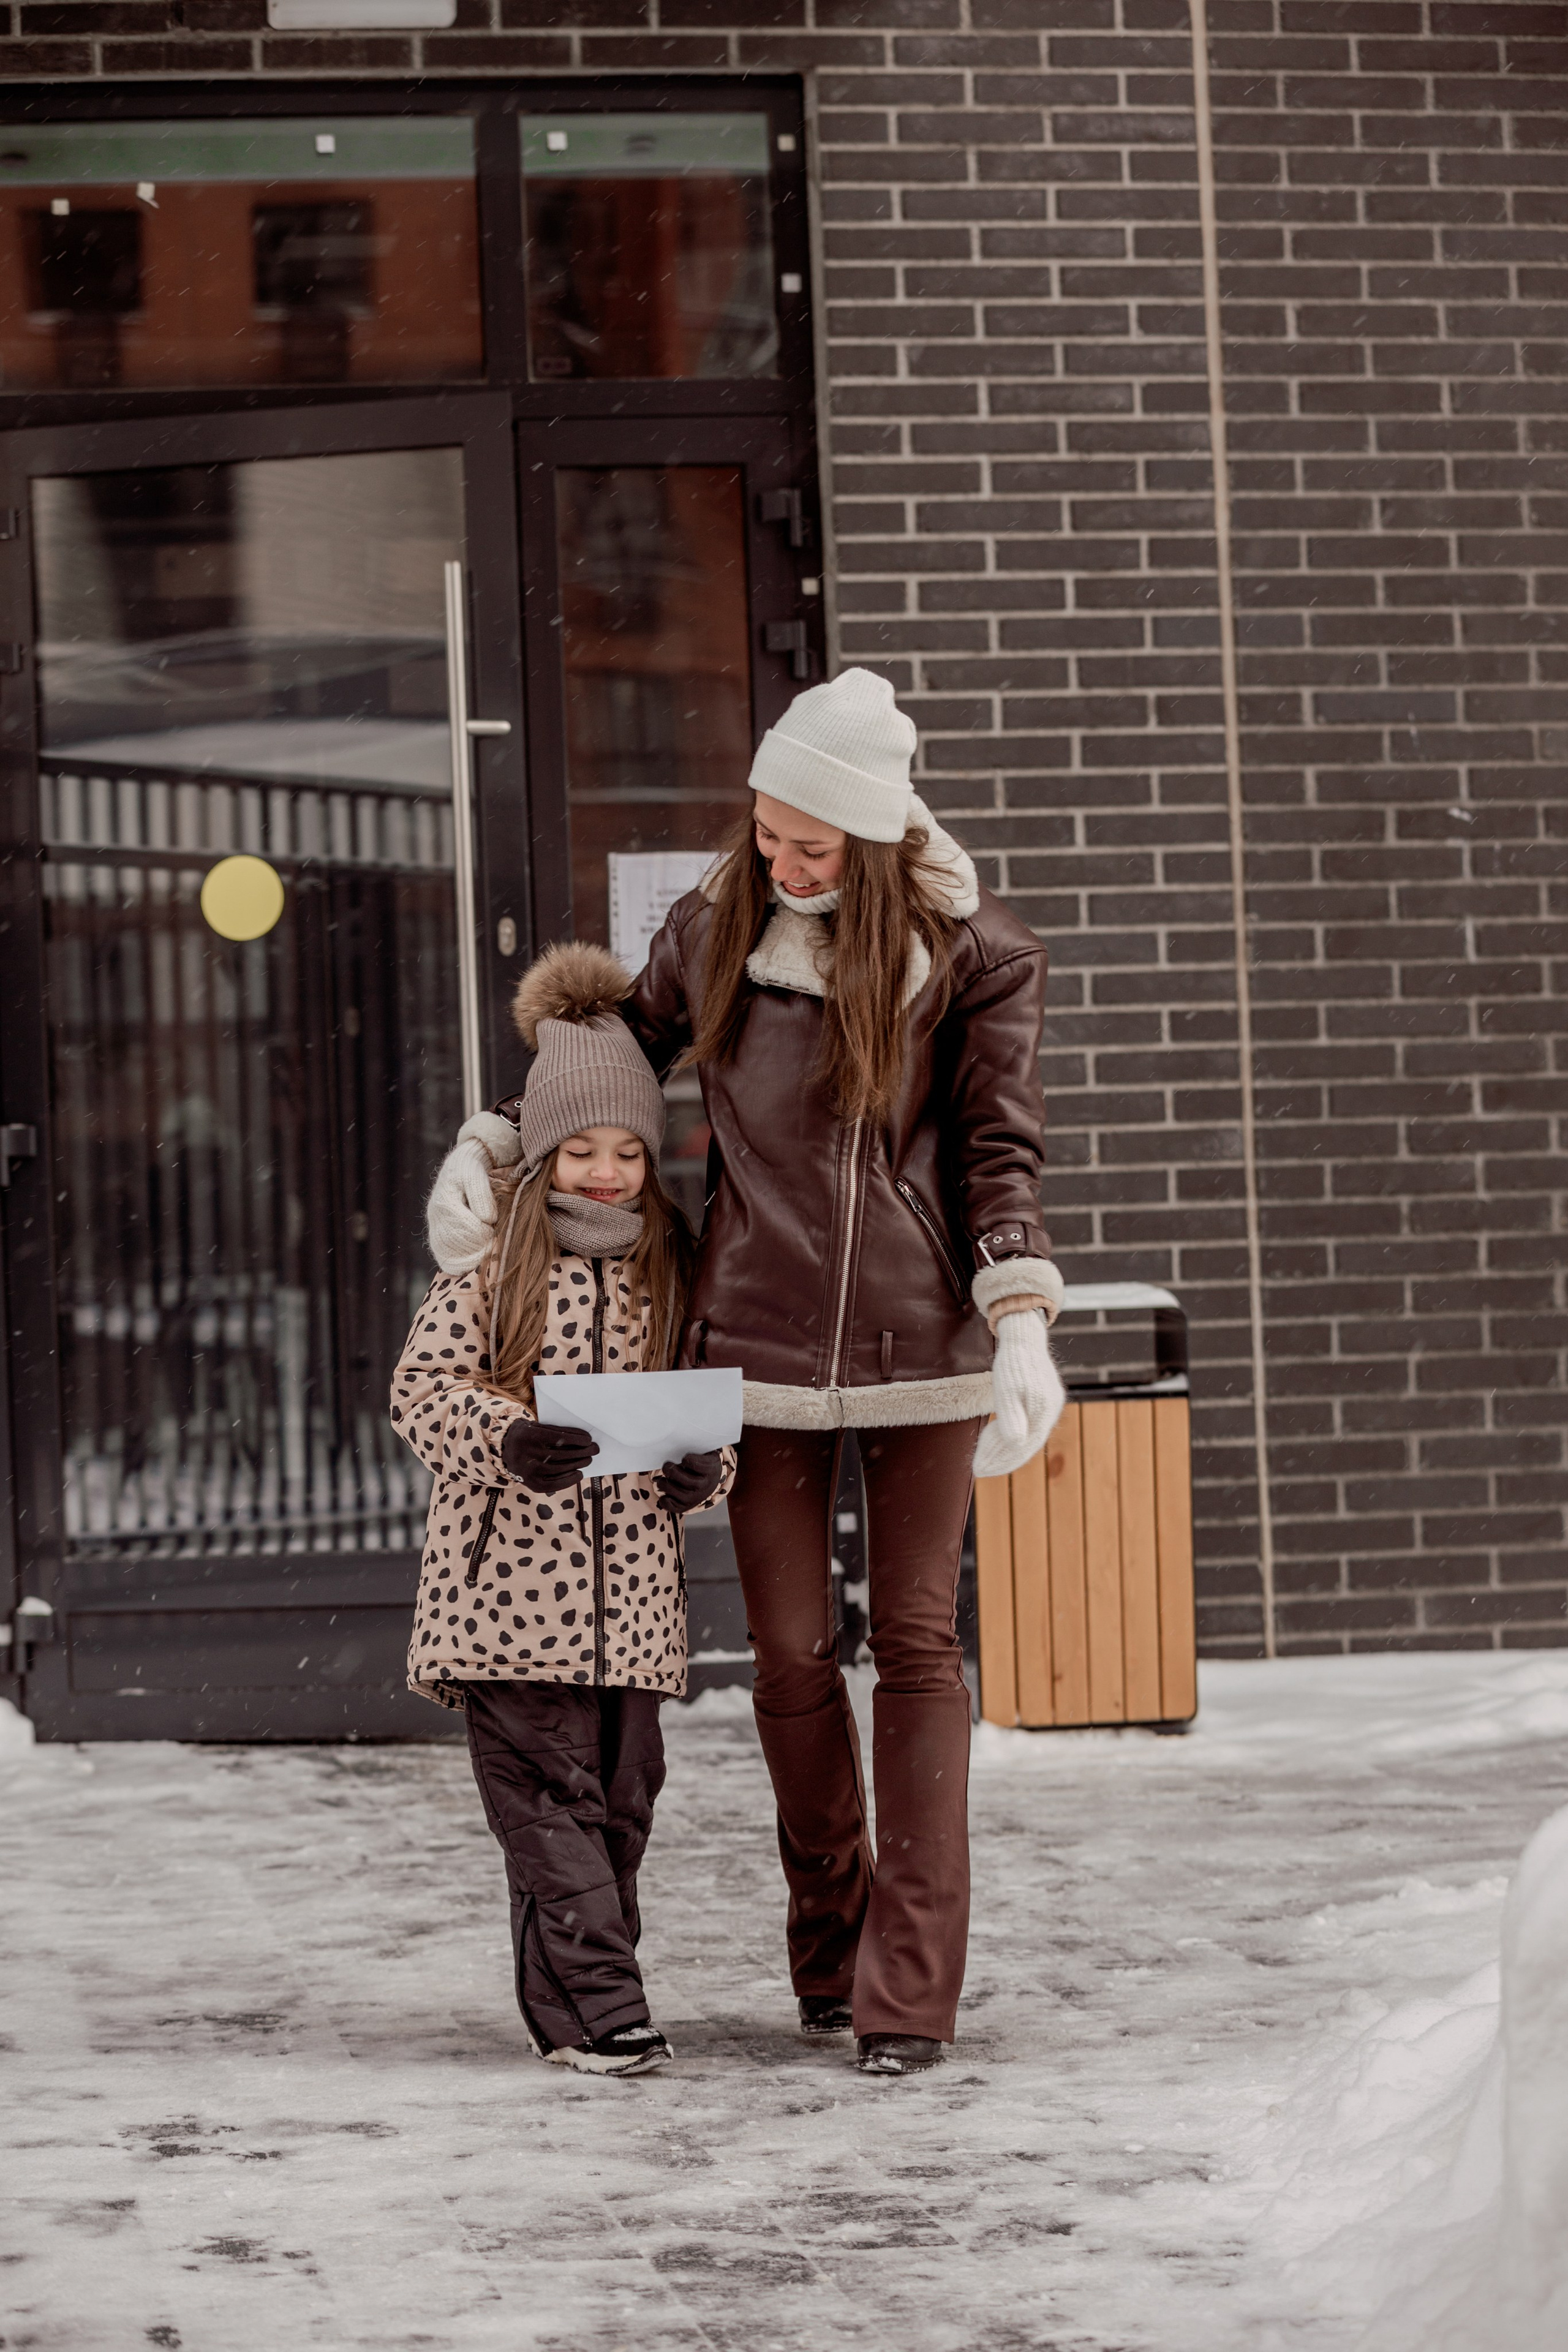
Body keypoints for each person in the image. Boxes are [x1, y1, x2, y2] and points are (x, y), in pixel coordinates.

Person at [426, 668, 1063, 2077]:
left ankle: (910, 1985)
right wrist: (491, 1135)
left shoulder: (979, 957)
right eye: (767, 830)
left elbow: (997, 1151)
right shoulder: (718, 923)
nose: (780, 860)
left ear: (877, 836)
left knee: (916, 1648)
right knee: (786, 1658)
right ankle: (830, 1958)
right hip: (755, 1347)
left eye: (811, 843)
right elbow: (614, 1051)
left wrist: (1018, 1314)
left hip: (925, 1353)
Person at [391, 941, 731, 2079]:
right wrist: (509, 1439)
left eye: (626, 1150)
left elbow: (704, 1423)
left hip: (632, 1606)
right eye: (580, 1149)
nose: (603, 1171)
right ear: (541, 1153)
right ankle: (613, 2007)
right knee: (549, 1811)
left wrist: (703, 1476)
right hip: (506, 1603)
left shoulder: (670, 1274)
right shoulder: (491, 1273)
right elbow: (420, 1393)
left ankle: (573, 2023)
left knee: (616, 1813)